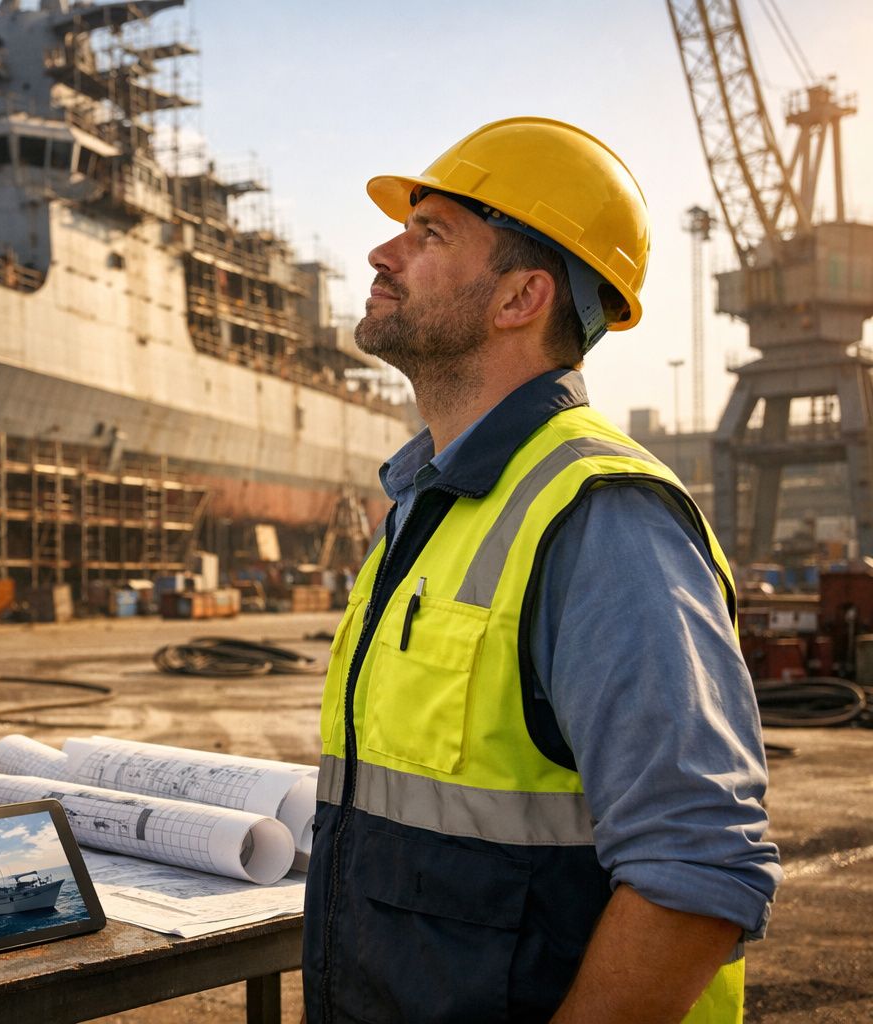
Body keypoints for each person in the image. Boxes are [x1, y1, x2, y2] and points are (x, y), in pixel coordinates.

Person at [302, 117, 781, 1024]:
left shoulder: (600, 516)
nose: (381, 249)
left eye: (428, 233)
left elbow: (699, 868)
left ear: (521, 297)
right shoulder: (424, 501)